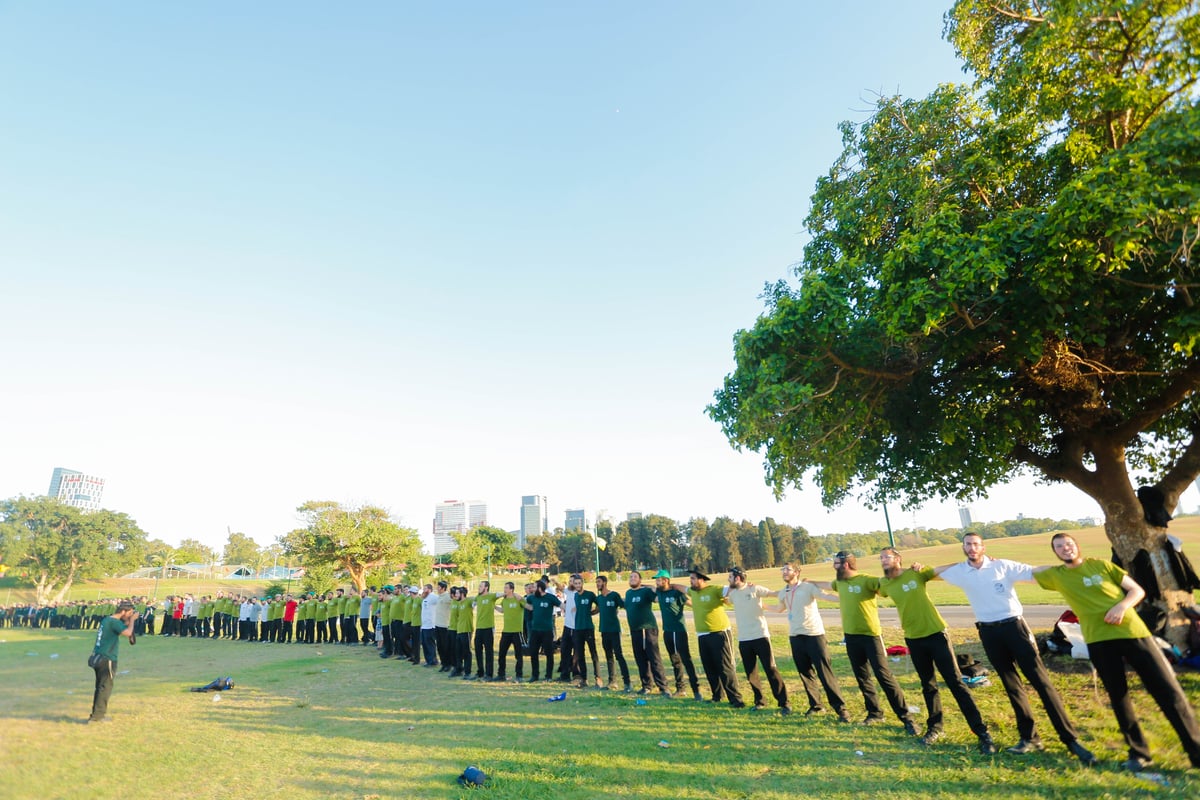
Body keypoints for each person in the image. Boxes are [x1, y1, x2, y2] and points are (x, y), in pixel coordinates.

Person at [1033, 533, 1200, 772]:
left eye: (1068, 544)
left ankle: (1195, 751)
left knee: (1167, 690)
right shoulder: (1055, 576)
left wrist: (1121, 606)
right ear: (1055, 552)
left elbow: (1136, 591)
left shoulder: (1100, 565)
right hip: (1099, 641)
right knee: (1119, 697)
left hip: (1133, 633)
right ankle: (1139, 753)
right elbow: (1023, 572)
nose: (1065, 548)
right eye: (1059, 546)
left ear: (1077, 546)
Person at [930, 533, 1095, 765]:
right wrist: (944, 565)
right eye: (968, 544)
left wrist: (1070, 568)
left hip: (1014, 627)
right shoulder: (960, 571)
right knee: (1012, 685)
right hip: (988, 632)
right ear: (963, 547)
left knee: (1041, 683)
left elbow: (1036, 572)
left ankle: (1070, 739)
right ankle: (1029, 737)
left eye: (976, 544)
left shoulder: (1002, 565)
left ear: (984, 547)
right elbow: (934, 571)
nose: (972, 548)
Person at [878, 548, 996, 753]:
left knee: (956, 682)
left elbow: (944, 570)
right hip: (913, 639)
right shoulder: (885, 584)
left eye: (887, 557)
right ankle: (935, 728)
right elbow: (870, 589)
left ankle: (982, 733)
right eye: (881, 558)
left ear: (898, 559)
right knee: (928, 685)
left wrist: (975, 561)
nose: (883, 560)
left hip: (936, 634)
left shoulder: (915, 573)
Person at [827, 551, 917, 735]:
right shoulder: (840, 582)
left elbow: (888, 582)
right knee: (862, 677)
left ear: (845, 565)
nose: (833, 566)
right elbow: (827, 585)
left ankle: (906, 718)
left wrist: (911, 571)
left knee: (884, 676)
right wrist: (806, 582)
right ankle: (875, 713)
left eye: (836, 563)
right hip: (851, 637)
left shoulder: (867, 580)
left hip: (871, 636)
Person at [774, 563, 849, 721]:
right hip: (795, 637)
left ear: (797, 572)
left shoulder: (808, 587)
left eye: (787, 569)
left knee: (825, 673)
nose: (784, 572)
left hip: (814, 635)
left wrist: (847, 597)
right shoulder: (783, 592)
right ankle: (816, 705)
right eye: (782, 570)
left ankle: (841, 709)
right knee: (805, 673)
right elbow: (779, 609)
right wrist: (759, 605)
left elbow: (825, 596)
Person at [726, 566, 792, 715]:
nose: (728, 580)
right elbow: (726, 600)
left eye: (730, 577)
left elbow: (774, 593)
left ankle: (784, 703)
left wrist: (787, 591)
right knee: (751, 673)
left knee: (771, 669)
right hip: (744, 640)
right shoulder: (733, 594)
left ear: (737, 578)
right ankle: (760, 701)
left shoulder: (755, 588)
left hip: (761, 636)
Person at [687, 567, 744, 707]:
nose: (691, 581)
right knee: (709, 667)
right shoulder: (693, 592)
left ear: (701, 579)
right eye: (690, 579)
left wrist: (744, 584)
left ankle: (736, 699)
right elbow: (680, 587)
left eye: (693, 578)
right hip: (702, 635)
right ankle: (717, 695)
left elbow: (732, 589)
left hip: (719, 633)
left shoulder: (714, 589)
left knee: (725, 667)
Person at [87, 601, 138, 723]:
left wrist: (127, 621)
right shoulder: (114, 622)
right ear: (123, 611)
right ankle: (97, 717)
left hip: (98, 656)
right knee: (105, 687)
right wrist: (132, 621)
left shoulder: (108, 620)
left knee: (100, 687)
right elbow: (128, 633)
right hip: (107, 658)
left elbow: (127, 634)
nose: (130, 615)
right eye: (129, 613)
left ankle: (96, 714)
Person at [654, 569, 701, 699]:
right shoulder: (659, 592)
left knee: (686, 660)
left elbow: (692, 604)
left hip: (679, 631)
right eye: (656, 580)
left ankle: (696, 690)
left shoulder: (677, 593)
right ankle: (681, 688)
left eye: (659, 580)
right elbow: (651, 588)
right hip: (667, 632)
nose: (657, 582)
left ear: (666, 580)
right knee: (675, 661)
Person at [625, 570, 669, 696]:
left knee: (654, 658)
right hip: (635, 630)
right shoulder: (628, 593)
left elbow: (657, 599)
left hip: (647, 629)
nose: (632, 578)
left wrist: (654, 589)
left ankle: (663, 687)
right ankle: (646, 686)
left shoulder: (645, 591)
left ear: (640, 580)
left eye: (635, 577)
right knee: (640, 659)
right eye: (630, 577)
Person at [595, 575, 632, 692]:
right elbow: (596, 610)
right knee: (608, 656)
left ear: (605, 583)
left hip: (614, 630)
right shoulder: (599, 598)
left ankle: (627, 683)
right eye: (596, 582)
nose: (597, 584)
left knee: (619, 655)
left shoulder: (614, 595)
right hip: (604, 630)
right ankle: (612, 682)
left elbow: (624, 605)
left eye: (599, 582)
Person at [524, 579, 561, 681]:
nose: (532, 589)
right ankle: (534, 675)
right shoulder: (532, 598)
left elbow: (561, 605)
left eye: (534, 587)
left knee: (549, 653)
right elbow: (529, 607)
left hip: (547, 630)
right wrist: (519, 601)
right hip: (535, 630)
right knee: (533, 652)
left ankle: (548, 676)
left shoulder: (550, 598)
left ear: (540, 588)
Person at [571, 576, 600, 688]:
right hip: (578, 628)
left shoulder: (590, 594)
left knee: (593, 653)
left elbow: (599, 604)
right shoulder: (575, 596)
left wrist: (593, 612)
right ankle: (584, 679)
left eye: (579, 583)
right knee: (580, 655)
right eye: (576, 583)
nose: (578, 585)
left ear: (582, 583)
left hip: (588, 627)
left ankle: (598, 678)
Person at [496, 582, 526, 682]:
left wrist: (521, 598)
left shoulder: (517, 599)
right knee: (502, 653)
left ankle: (519, 675)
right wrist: (494, 607)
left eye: (506, 588)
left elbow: (527, 606)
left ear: (511, 589)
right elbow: (503, 610)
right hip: (506, 631)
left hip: (517, 631)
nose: (504, 589)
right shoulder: (504, 600)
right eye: (504, 587)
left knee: (518, 654)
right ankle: (501, 674)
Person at [472, 581, 499, 681]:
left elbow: (501, 594)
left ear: (486, 588)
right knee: (478, 650)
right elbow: (472, 603)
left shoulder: (491, 596)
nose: (479, 587)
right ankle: (480, 672)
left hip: (488, 628)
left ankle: (489, 674)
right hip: (479, 628)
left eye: (481, 586)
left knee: (489, 652)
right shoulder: (477, 597)